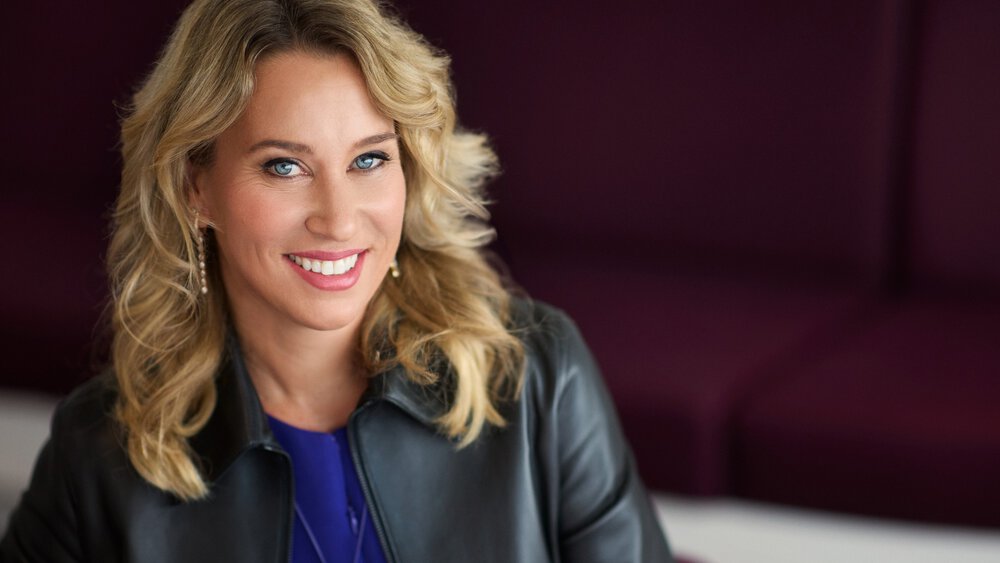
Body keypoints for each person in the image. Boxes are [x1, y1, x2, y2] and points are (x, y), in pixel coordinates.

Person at [0, 0, 671, 561]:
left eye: (370, 159)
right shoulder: (98, 454)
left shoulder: (539, 380)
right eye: (285, 167)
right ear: (195, 187)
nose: (340, 218)